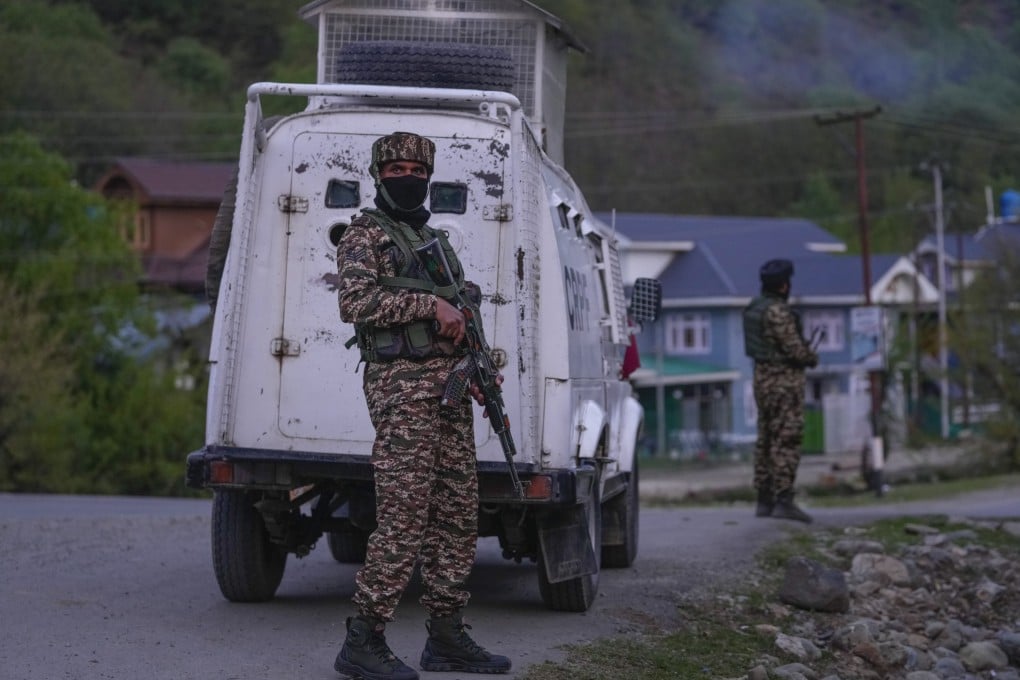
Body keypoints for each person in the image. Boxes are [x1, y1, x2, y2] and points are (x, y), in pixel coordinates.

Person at [333, 131, 511, 680]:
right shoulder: (364, 236)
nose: (406, 177)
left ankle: (447, 636)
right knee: (404, 516)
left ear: (429, 175)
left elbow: (463, 312)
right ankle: (363, 638)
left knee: (457, 514)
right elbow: (355, 302)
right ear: (378, 174)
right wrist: (429, 303)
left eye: (416, 168)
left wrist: (481, 369)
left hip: (449, 389)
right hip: (403, 391)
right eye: (395, 169)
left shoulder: (432, 239)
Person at [742, 258, 818, 524]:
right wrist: (810, 356)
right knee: (786, 438)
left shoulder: (754, 308)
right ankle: (783, 499)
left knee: (766, 437)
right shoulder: (777, 311)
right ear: (785, 285)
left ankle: (764, 498)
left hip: (762, 379)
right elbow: (794, 350)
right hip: (783, 382)